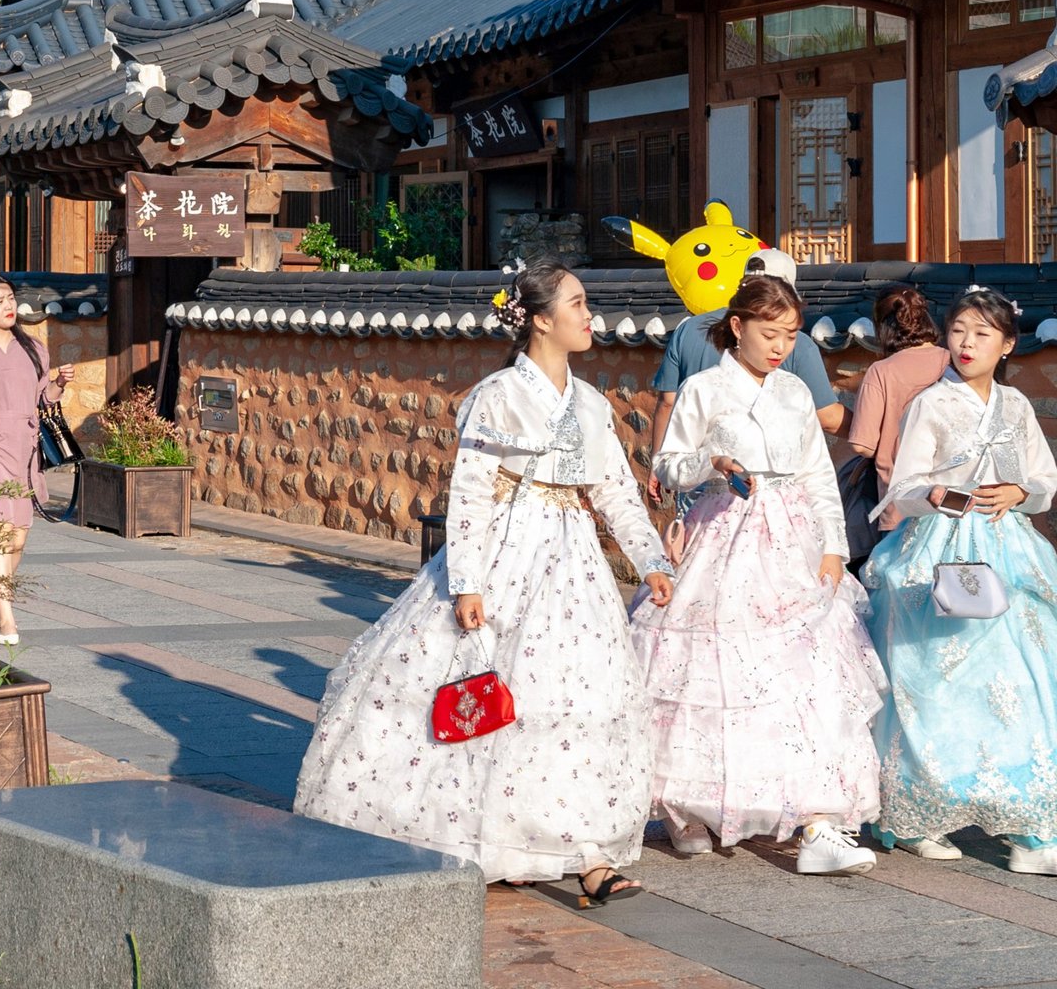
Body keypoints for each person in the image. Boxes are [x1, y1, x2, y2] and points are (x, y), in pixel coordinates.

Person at [293, 262, 674, 902]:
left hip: (573, 560)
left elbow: (614, 490)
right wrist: (467, 581)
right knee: (488, 690)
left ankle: (589, 854)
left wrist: (651, 560)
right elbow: (469, 490)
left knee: (575, 697)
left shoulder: (589, 403)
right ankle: (489, 839)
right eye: (577, 304)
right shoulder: (498, 395)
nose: (590, 316)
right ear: (541, 320)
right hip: (506, 548)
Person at [630, 274, 886, 874]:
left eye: (791, 335)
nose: (780, 346)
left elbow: (817, 472)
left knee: (807, 673)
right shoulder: (703, 388)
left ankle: (816, 821)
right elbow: (668, 465)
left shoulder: (794, 391)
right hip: (724, 530)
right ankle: (688, 807)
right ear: (737, 326)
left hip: (793, 537)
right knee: (709, 674)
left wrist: (833, 545)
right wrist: (710, 463)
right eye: (770, 333)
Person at [863, 286, 1057, 872]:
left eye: (981, 333)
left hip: (1008, 549)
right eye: (958, 331)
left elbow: (1045, 478)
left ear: (1008, 344)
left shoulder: (1016, 405)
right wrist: (934, 495)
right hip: (941, 548)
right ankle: (916, 816)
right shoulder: (930, 403)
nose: (967, 343)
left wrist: (1021, 491)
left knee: (1021, 680)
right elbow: (902, 485)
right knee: (934, 679)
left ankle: (1027, 826)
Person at [648, 249, 847, 488]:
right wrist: (874, 433)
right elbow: (827, 417)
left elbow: (667, 402)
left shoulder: (688, 328)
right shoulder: (799, 344)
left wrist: (657, 464)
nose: (780, 345)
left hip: (696, 481)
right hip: (754, 487)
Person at [0, 273, 75, 646]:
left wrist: (59, 383)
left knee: (18, 536)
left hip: (26, 448)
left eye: (10, 298)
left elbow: (44, 398)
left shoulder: (33, 348)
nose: (8, 306)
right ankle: (6, 617)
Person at [842, 286, 950, 565]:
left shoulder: (882, 371)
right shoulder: (953, 363)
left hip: (900, 501)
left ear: (883, 326)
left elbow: (862, 445)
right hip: (951, 499)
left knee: (897, 582)